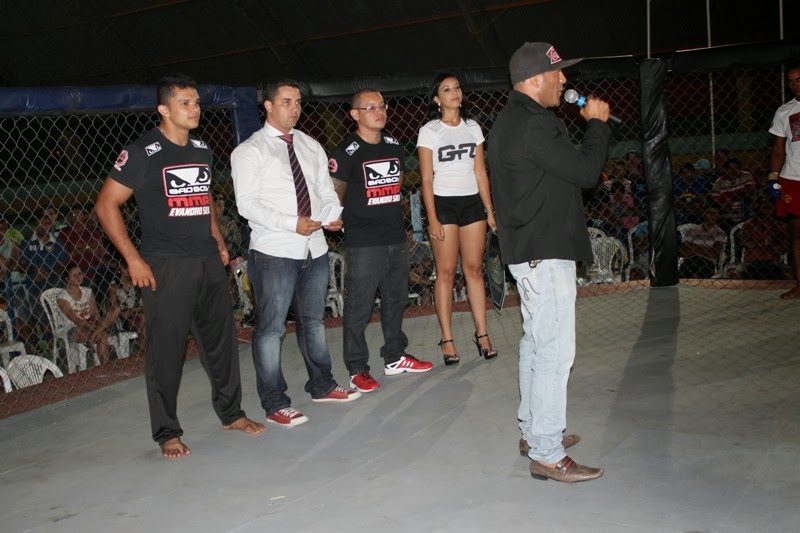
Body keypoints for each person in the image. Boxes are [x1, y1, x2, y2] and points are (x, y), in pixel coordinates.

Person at [95, 74, 264, 459]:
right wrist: (133, 258)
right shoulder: (143, 151)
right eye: (185, 103)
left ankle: (232, 414)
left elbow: (203, 197)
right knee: (167, 351)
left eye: (197, 102)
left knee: (221, 343)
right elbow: (106, 205)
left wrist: (217, 239)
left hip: (206, 259)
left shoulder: (201, 149)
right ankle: (167, 432)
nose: (194, 109)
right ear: (164, 110)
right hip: (166, 265)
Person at [489, 42, 611, 483]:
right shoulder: (535, 123)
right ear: (534, 79)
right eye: (557, 72)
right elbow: (586, 173)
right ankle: (546, 451)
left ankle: (534, 431)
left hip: (531, 250)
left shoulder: (513, 119)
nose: (564, 79)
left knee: (536, 344)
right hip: (544, 251)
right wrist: (597, 125)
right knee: (555, 351)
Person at [231, 79, 360, 427]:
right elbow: (247, 205)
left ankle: (322, 385)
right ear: (268, 106)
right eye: (286, 101)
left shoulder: (309, 144)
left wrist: (332, 215)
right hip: (275, 250)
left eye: (298, 102)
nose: (295, 108)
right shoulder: (250, 150)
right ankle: (275, 403)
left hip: (314, 246)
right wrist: (292, 223)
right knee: (271, 328)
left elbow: (325, 189)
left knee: (313, 322)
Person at [329, 88, 434, 393]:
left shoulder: (393, 145)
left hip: (394, 236)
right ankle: (357, 368)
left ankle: (395, 356)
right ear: (355, 114)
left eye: (382, 106)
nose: (379, 111)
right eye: (370, 107)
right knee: (359, 307)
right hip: (363, 241)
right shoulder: (346, 151)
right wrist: (338, 219)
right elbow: (335, 192)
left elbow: (396, 183)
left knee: (396, 299)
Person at [416, 73, 498, 365]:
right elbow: (426, 178)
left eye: (457, 88)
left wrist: (489, 211)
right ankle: (447, 339)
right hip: (444, 204)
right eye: (446, 89)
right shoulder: (430, 131)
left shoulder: (473, 127)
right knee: (447, 272)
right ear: (437, 99)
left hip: (472, 203)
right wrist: (432, 217)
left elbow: (480, 172)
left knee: (474, 269)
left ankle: (482, 334)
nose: (454, 92)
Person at [767, 60, 800, 299]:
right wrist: (772, 177)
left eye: (799, 80)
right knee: (797, 234)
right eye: (790, 82)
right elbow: (778, 149)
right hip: (793, 177)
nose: (795, 85)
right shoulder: (784, 111)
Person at [56, 265, 118, 364]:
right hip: (75, 329)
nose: (78, 277)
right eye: (74, 275)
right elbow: (76, 320)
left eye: (80, 273)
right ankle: (106, 366)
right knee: (102, 334)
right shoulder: (62, 297)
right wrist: (95, 327)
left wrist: (95, 324)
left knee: (116, 310)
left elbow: (95, 314)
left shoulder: (87, 291)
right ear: (67, 279)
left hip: (92, 324)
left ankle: (93, 335)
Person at [678, 207, 727, 278]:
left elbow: (712, 254)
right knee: (684, 272)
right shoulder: (693, 230)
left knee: (700, 272)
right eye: (709, 212)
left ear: (718, 216)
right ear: (704, 214)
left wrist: (694, 247)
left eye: (714, 213)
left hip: (708, 262)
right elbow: (683, 252)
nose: (712, 215)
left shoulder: (720, 233)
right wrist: (705, 250)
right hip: (690, 260)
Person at [108, 268, 146, 345]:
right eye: (125, 268)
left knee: (142, 319)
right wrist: (134, 310)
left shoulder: (137, 283)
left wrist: (134, 310)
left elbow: (145, 306)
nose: (128, 270)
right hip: (125, 320)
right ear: (119, 270)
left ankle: (146, 347)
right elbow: (118, 312)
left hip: (141, 315)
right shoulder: (113, 287)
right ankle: (146, 348)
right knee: (141, 320)